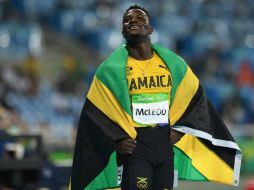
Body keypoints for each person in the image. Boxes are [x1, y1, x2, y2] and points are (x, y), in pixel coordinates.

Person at [70, 5, 241, 190]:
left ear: (150, 29)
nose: (133, 21)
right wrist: (117, 138)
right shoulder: (110, 70)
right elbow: (96, 112)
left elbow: (194, 99)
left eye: (140, 19)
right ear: (122, 31)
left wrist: (181, 130)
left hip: (164, 142)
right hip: (135, 146)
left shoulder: (172, 64)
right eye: (128, 20)